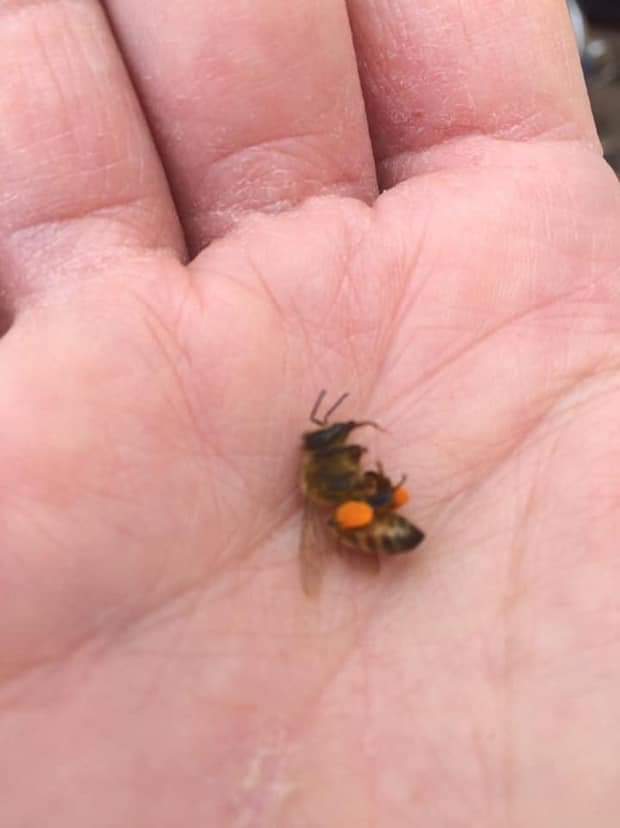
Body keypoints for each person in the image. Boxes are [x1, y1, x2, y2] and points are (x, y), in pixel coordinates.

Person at [1, 1, 619, 824]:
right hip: (379, 532)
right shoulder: (336, 484)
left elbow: (348, 485)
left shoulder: (338, 477)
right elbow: (345, 495)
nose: (345, 434)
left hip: (380, 532)